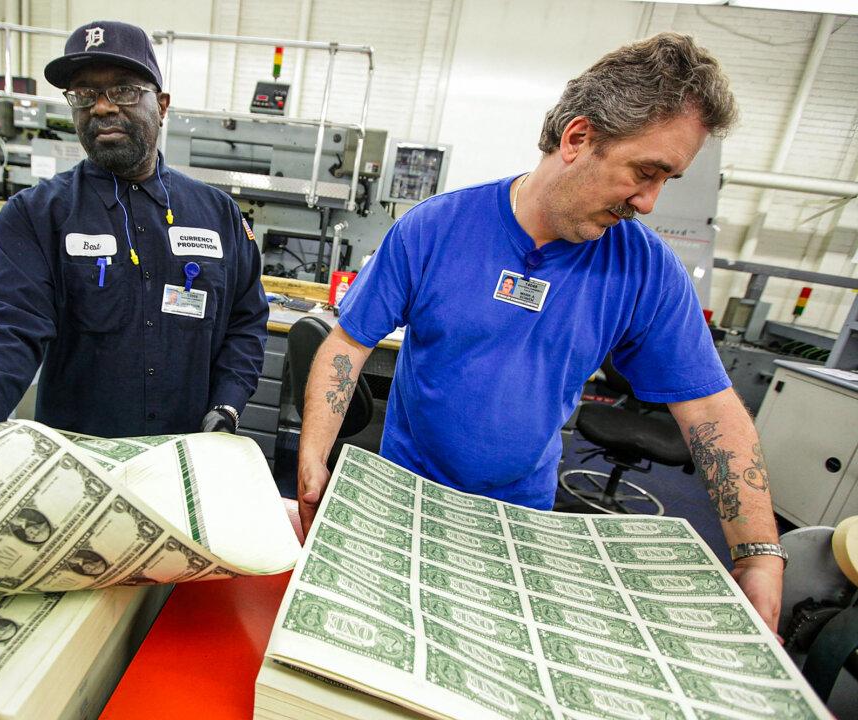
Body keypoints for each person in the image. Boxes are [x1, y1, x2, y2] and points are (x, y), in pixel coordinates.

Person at [298, 33, 786, 631]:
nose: (651, 201)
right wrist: (313, 454)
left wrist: (759, 552)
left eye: (669, 181)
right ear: (578, 138)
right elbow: (349, 343)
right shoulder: (436, 228)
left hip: (520, 517)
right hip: (404, 495)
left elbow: (710, 407)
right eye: (645, 171)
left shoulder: (644, 269)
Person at [0, 21, 267, 445]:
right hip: (76, 458)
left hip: (188, 449)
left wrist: (227, 403)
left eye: (123, 90)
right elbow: (2, 321)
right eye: (84, 95)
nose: (101, 107)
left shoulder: (219, 216)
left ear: (161, 105)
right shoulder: (35, 216)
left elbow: (245, 319)